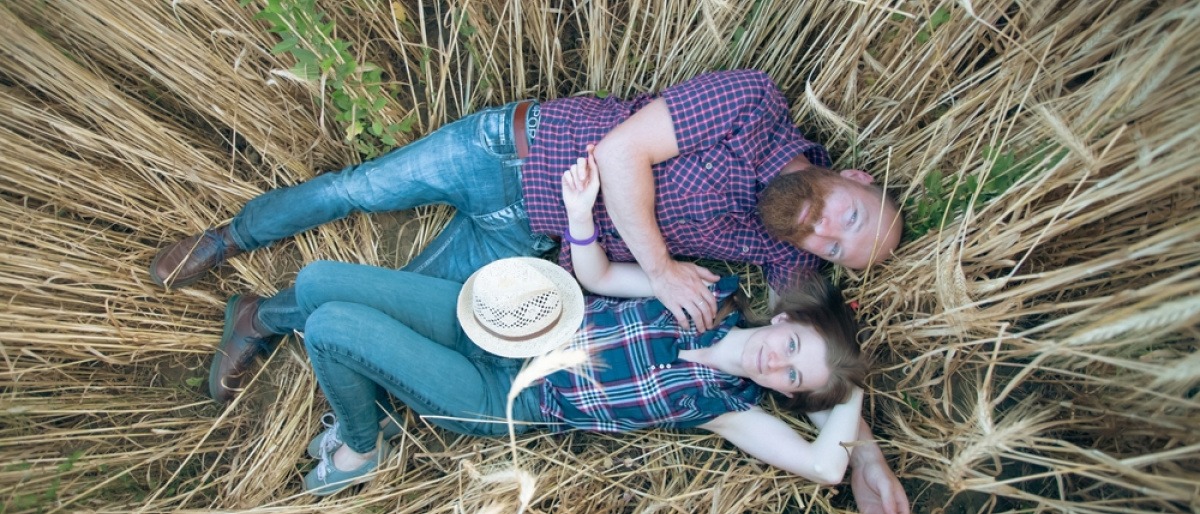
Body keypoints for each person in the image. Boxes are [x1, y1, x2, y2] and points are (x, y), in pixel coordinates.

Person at [204, 156, 909, 512]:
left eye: (793, 378)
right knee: (324, 277)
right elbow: (598, 272)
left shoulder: (726, 406)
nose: (775, 363)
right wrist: (578, 211)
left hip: (497, 392)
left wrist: (848, 383)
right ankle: (265, 324)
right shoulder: (703, 295)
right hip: (494, 319)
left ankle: (361, 445)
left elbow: (824, 467)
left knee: (331, 326)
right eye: (791, 348)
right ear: (782, 319)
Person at [151, 70, 903, 333]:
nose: (826, 233)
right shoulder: (753, 107)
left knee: (395, 295)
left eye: (837, 249)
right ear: (857, 181)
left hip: (535, 233)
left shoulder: (781, 243)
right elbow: (618, 154)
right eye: (851, 220)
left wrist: (860, 456)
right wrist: (665, 269)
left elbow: (815, 343)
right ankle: (230, 238)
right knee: (358, 189)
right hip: (507, 151)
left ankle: (256, 317)